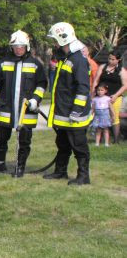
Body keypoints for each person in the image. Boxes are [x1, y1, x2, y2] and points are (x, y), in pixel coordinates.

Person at [0, 30, 47, 177]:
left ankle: (20, 168)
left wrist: (35, 99)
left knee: (24, 141)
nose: (18, 49)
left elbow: (41, 85)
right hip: (6, 108)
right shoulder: (3, 63)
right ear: (11, 47)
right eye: (15, 46)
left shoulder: (35, 64)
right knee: (1, 138)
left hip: (27, 110)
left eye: (21, 46)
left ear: (26, 46)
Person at [43, 22, 92, 185]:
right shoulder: (67, 59)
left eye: (55, 41)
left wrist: (77, 110)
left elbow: (83, 88)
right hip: (64, 112)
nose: (54, 44)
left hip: (74, 115)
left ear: (63, 40)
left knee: (79, 146)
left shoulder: (78, 60)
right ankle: (60, 171)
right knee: (63, 144)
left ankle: (83, 176)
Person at [92, 51, 127, 144]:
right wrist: (93, 92)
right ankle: (99, 139)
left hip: (115, 97)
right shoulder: (102, 67)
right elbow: (96, 80)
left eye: (113, 59)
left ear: (118, 60)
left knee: (114, 117)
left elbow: (125, 85)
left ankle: (116, 140)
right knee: (99, 116)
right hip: (101, 96)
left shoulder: (121, 71)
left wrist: (115, 95)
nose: (110, 61)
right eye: (109, 58)